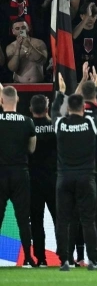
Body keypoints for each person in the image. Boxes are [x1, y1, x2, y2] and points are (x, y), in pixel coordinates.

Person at [52, 88, 97, 271]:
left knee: (63, 221)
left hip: (64, 178)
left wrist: (60, 94)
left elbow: (53, 111)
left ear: (69, 108)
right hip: (86, 178)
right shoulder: (90, 123)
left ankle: (64, 261)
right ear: (83, 107)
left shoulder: (61, 123)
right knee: (88, 221)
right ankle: (93, 261)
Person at [0, 82, 36, 266]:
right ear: (18, 100)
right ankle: (28, 258)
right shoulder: (27, 121)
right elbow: (32, 148)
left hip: (0, 173)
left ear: (1, 100)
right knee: (23, 218)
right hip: (20, 173)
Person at [28, 94, 57, 267]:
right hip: (54, 180)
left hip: (32, 181)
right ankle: (64, 255)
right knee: (59, 220)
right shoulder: (55, 126)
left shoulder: (26, 127)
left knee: (36, 222)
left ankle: (41, 258)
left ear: (30, 109)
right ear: (47, 109)